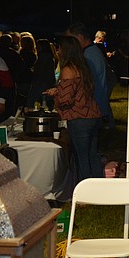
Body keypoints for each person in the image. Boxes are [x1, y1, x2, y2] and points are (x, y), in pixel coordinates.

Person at [43, 36, 103, 182]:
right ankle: (100, 187)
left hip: (79, 118)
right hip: (93, 115)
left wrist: (56, 98)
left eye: (59, 48)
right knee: (92, 154)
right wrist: (58, 90)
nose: (57, 51)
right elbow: (78, 91)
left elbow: (66, 99)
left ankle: (85, 191)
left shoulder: (68, 69)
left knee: (81, 157)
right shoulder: (83, 67)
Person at [66, 23, 114, 128]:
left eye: (71, 39)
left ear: (79, 37)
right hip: (95, 110)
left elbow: (85, 84)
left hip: (91, 111)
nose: (69, 43)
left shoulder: (89, 55)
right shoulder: (92, 52)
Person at [27, 38, 57, 110]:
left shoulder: (44, 57)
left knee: (34, 102)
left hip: (41, 83)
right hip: (45, 82)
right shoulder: (49, 57)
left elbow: (41, 71)